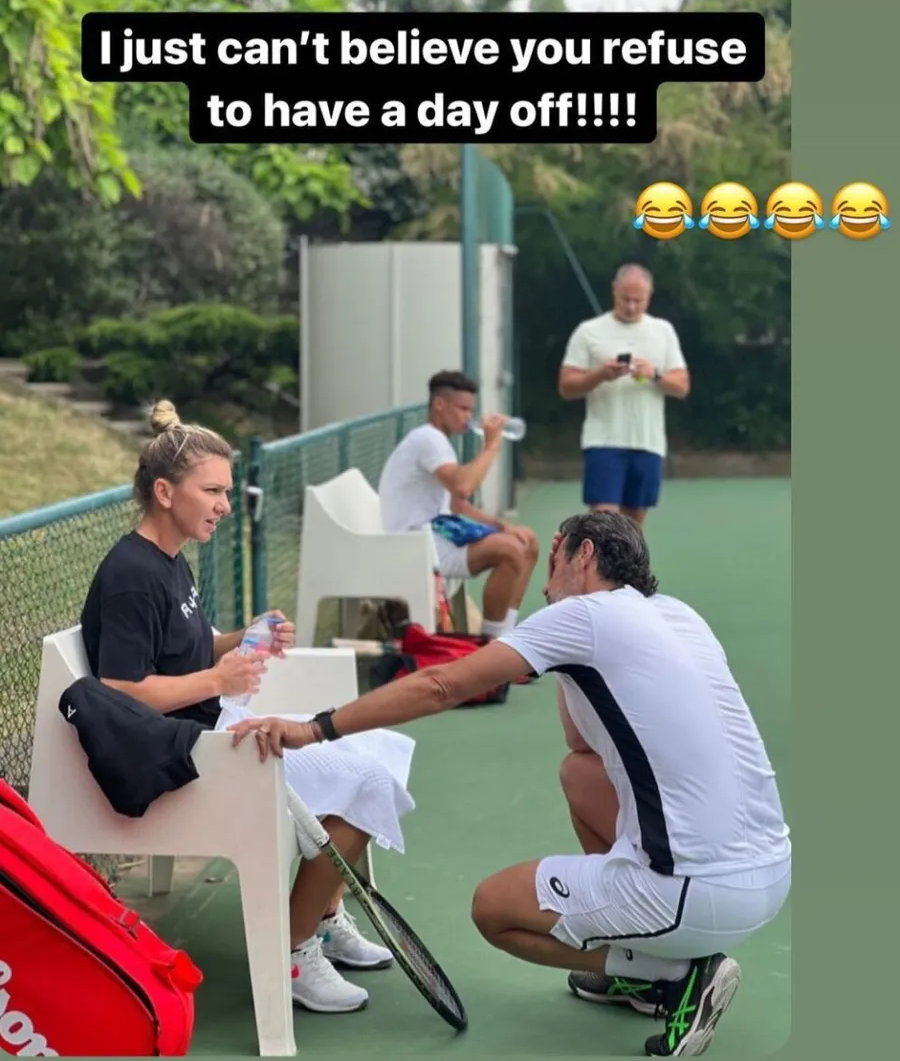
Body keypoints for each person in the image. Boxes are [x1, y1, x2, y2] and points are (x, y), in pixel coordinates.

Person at [229, 512, 790, 1058]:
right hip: (770, 874)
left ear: (585, 555)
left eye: (554, 562)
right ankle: (643, 968)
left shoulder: (586, 615)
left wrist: (313, 729)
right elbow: (581, 745)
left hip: (696, 892)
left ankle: (672, 974)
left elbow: (440, 685)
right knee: (579, 775)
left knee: (494, 908)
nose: (545, 585)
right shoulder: (678, 614)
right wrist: (556, 657)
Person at [79, 399, 418, 1016]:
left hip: (214, 725)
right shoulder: (132, 574)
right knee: (366, 781)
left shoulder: (171, 559)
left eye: (227, 492)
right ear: (164, 492)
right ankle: (294, 951)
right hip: (189, 752)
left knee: (378, 749)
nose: (225, 506)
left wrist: (243, 638)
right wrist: (218, 676)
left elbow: (184, 649)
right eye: (212, 491)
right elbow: (119, 690)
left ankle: (323, 915)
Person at [378, 369, 539, 639]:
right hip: (414, 543)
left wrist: (502, 526)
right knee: (511, 551)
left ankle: (507, 637)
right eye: (463, 409)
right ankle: (491, 645)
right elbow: (463, 486)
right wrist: (491, 446)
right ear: (439, 405)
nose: (469, 417)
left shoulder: (438, 441)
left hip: (437, 534)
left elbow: (457, 505)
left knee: (527, 541)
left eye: (471, 410)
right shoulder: (428, 438)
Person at [558, 265, 690, 528]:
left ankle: (628, 558)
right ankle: (595, 557)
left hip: (647, 441)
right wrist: (601, 375)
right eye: (625, 299)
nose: (631, 307)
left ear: (649, 296)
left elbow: (682, 386)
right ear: (614, 291)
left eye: (638, 301)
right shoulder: (589, 331)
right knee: (602, 518)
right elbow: (566, 386)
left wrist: (654, 374)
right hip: (603, 439)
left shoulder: (663, 331)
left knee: (633, 523)